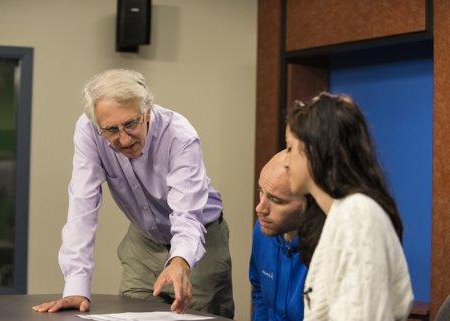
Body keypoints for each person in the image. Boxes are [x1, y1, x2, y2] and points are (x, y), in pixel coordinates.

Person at [32, 69, 234, 317]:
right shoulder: (89, 130)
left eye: (130, 124)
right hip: (143, 241)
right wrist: (76, 287)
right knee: (132, 314)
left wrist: (180, 260)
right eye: (112, 130)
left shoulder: (179, 135)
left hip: (201, 238)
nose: (125, 139)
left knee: (199, 316)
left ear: (147, 111)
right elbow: (82, 208)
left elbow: (188, 214)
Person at [284, 92, 414, 320]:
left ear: (315, 149)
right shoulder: (338, 215)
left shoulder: (358, 215)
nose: (285, 162)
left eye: (289, 148)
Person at [250, 150, 325, 321]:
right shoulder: (262, 230)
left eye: (276, 200)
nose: (260, 208)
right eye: (261, 191)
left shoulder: (328, 248)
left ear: (309, 204)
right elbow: (259, 291)